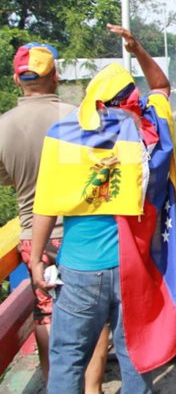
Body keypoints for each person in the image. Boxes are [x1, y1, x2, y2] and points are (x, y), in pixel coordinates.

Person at [30, 24, 176, 394]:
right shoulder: (151, 129)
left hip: (81, 266)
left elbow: (46, 205)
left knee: (68, 357)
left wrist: (36, 259)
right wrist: (137, 49)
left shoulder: (63, 136)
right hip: (134, 265)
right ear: (130, 98)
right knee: (134, 355)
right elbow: (161, 86)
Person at [0, 42, 108, 392]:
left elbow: (5, 177)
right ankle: (92, 388)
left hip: (35, 237)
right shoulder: (79, 118)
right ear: (56, 76)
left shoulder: (3, 126)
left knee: (46, 312)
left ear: (17, 80)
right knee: (94, 313)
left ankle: (56, 384)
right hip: (81, 233)